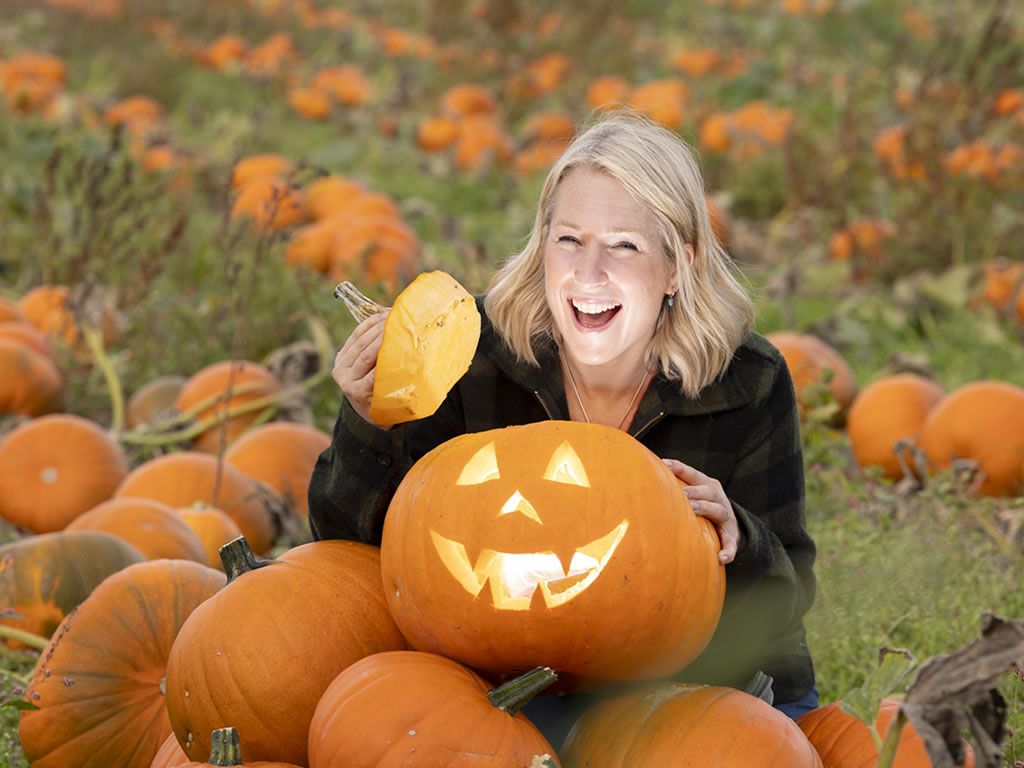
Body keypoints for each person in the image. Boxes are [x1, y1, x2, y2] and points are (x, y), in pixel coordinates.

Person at [307, 110, 818, 746]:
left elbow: (787, 595)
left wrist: (738, 534)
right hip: (514, 683)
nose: (589, 272)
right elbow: (349, 544)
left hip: (702, 690)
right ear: (541, 243)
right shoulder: (472, 354)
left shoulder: (747, 380)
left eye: (625, 245)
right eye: (569, 240)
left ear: (678, 265)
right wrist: (370, 419)